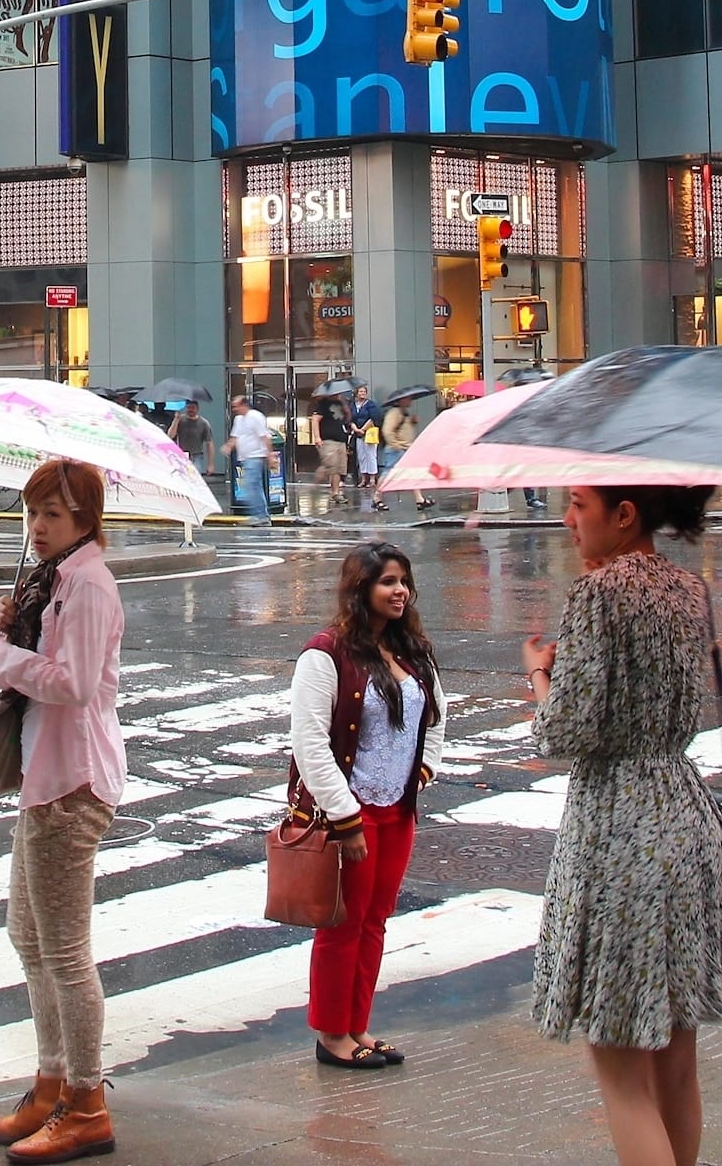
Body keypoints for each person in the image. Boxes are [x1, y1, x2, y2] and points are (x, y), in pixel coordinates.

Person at [522, 486, 722, 1166]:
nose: (568, 520)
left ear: (624, 515)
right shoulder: (687, 587)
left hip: (619, 824)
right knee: (677, 1060)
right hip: (683, 809)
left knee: (620, 1069)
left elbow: (565, 729)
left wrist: (540, 676)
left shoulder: (598, 594)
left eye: (579, 505)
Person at [0, 460, 128, 1163]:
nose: (38, 527)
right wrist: (13, 630)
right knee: (28, 937)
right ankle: (51, 1082)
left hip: (73, 781)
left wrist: (3, 657)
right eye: (34, 512)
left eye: (54, 516)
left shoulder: (89, 584)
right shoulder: (54, 580)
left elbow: (73, 684)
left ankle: (86, 1102)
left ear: (86, 520)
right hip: (47, 775)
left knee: (63, 951)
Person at [291, 539, 443, 1068]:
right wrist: (345, 817)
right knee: (343, 924)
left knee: (375, 919)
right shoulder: (325, 653)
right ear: (361, 588)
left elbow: (436, 718)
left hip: (397, 810)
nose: (399, 591)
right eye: (387, 581)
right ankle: (331, 1033)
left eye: (403, 580)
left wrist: (421, 772)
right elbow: (309, 742)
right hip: (348, 815)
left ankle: (357, 1025)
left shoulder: (412, 649)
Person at [225, 395, 278, 527]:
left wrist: (270, 455)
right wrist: (228, 447)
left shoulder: (255, 416)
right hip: (245, 457)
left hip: (255, 456)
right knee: (251, 487)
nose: (234, 409)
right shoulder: (239, 419)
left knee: (253, 486)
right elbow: (236, 436)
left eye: (236, 406)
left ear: (244, 405)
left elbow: (264, 436)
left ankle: (261, 516)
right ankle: (258, 515)